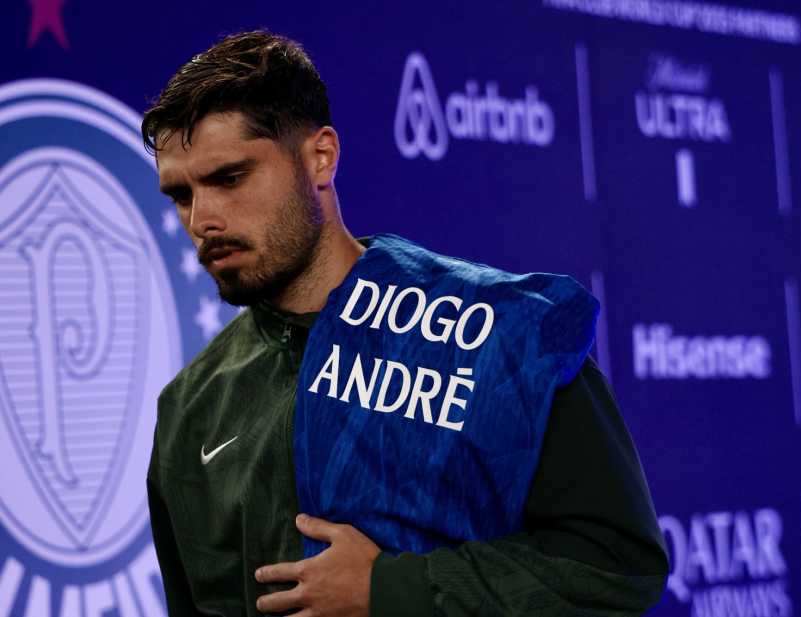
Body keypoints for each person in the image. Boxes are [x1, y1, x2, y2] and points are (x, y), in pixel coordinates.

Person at [143, 30, 668, 617]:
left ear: (320, 157)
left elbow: (615, 565)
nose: (203, 218)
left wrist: (389, 590)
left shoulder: (498, 334)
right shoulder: (190, 410)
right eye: (181, 195)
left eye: (230, 178)